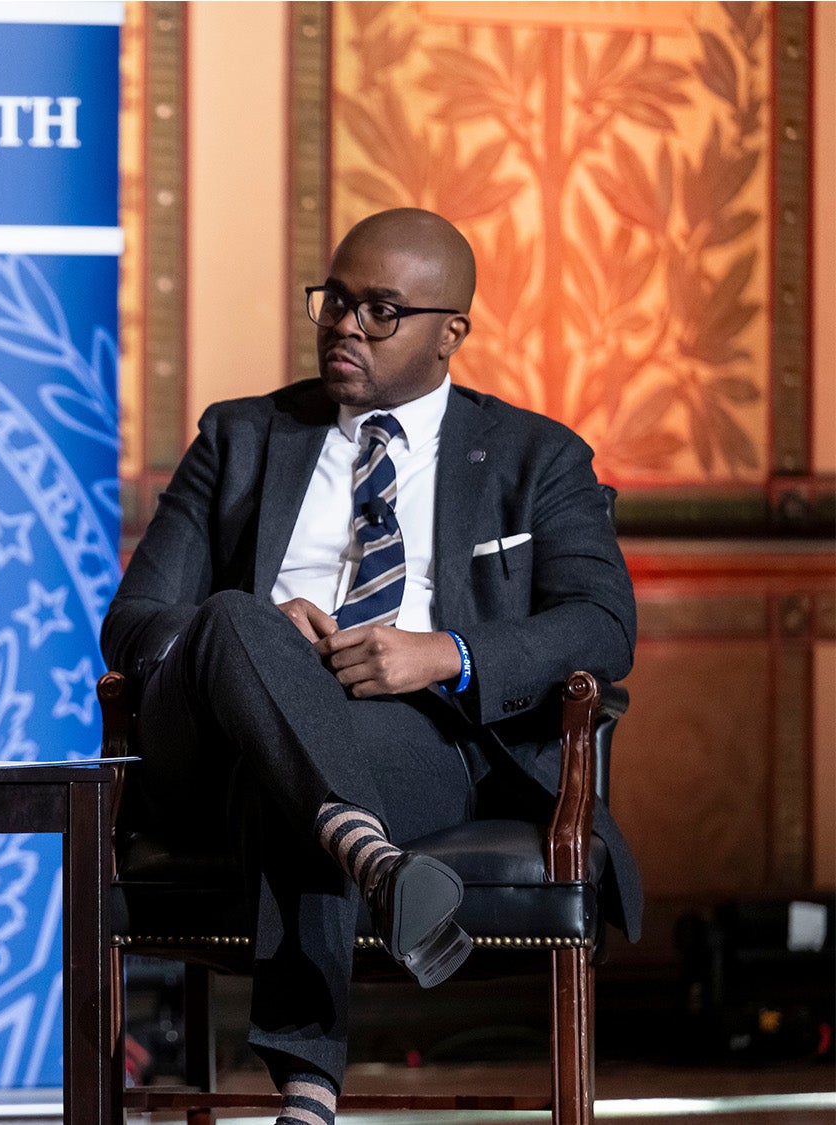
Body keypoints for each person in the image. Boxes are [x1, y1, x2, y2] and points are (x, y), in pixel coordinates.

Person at [101, 208, 640, 1125]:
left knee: (303, 778)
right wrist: (267, 645)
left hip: (420, 739)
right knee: (237, 618)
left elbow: (601, 626)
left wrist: (447, 654)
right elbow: (134, 624)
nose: (345, 325)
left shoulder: (537, 456)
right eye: (335, 300)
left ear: (450, 333)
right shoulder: (238, 438)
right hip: (219, 738)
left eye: (382, 310)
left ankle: (310, 1085)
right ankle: (371, 863)